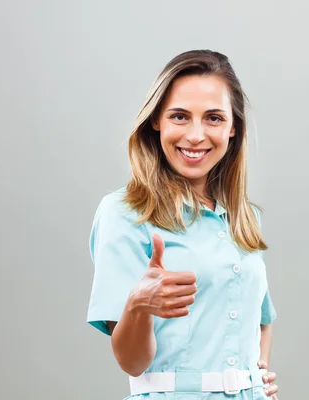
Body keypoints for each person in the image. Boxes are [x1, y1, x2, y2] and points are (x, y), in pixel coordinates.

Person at [86, 49, 279, 400]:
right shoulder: (125, 213)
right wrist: (137, 305)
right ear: (156, 120)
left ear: (233, 127)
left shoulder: (245, 217)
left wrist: (256, 378)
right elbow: (131, 362)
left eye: (214, 118)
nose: (195, 135)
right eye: (179, 116)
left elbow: (261, 318)